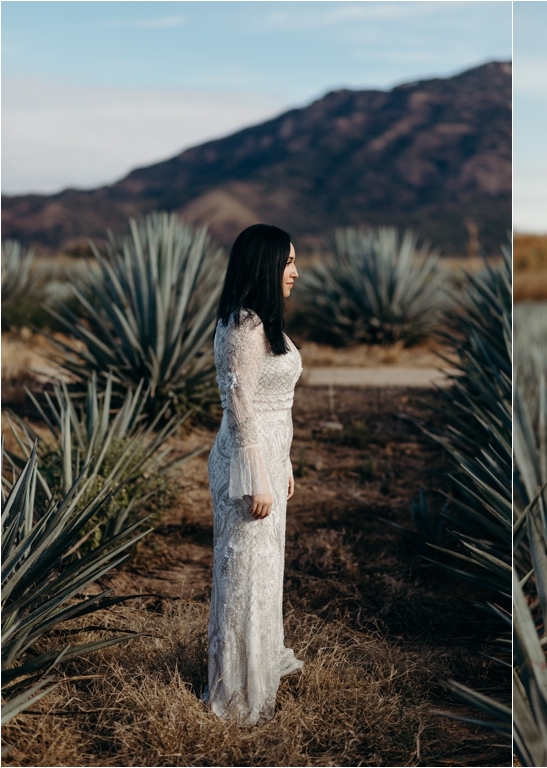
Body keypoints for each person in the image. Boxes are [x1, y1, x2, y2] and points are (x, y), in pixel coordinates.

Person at [205, 223, 303, 725]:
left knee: (263, 575)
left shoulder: (264, 321)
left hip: (267, 461)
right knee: (242, 577)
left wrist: (283, 466)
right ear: (265, 264)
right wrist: (256, 477)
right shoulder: (242, 326)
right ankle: (236, 694)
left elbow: (277, 405)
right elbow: (239, 405)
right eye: (288, 262)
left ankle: (261, 668)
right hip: (245, 467)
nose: (295, 272)